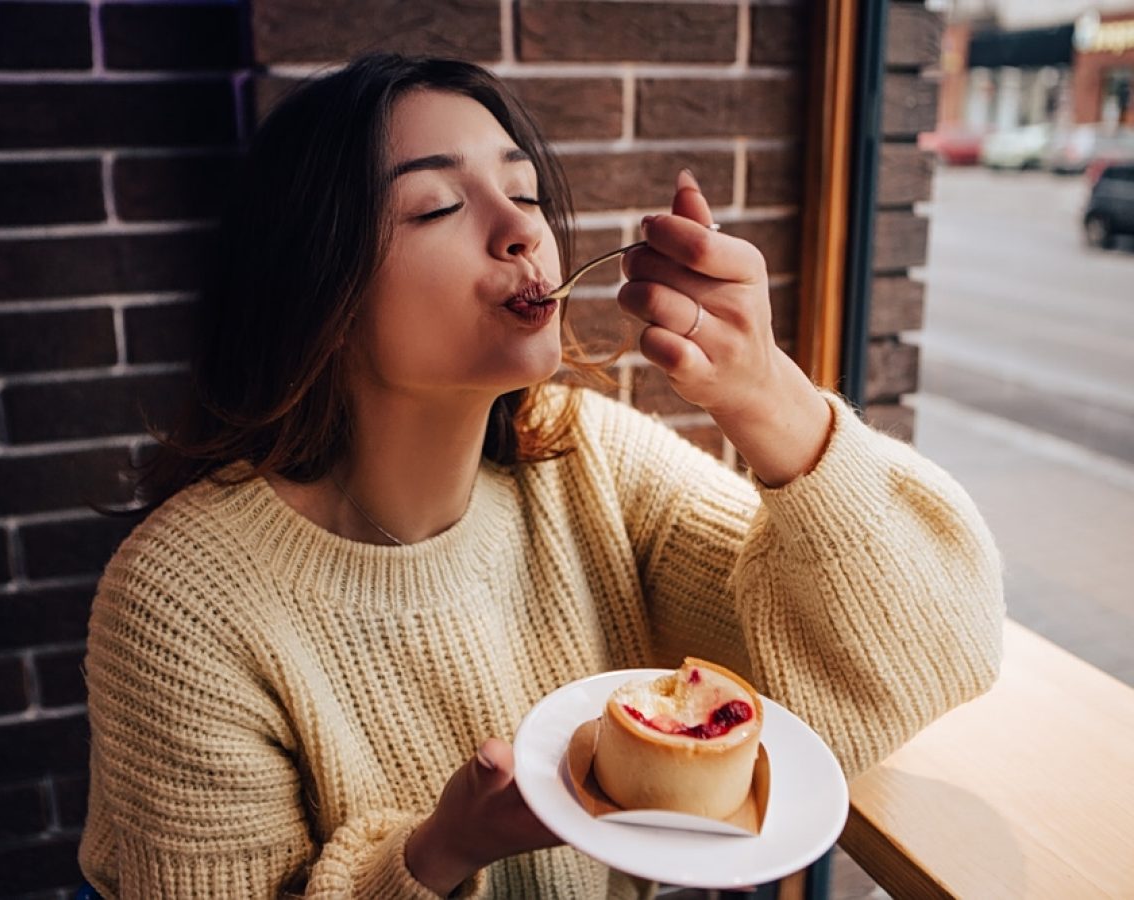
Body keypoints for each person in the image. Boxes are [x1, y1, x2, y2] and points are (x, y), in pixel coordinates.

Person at [79, 53, 1005, 899]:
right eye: (439, 206)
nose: (522, 228)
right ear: (318, 287)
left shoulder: (584, 458)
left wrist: (769, 398)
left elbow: (929, 660)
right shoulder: (179, 604)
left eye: (523, 191)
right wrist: (437, 855)